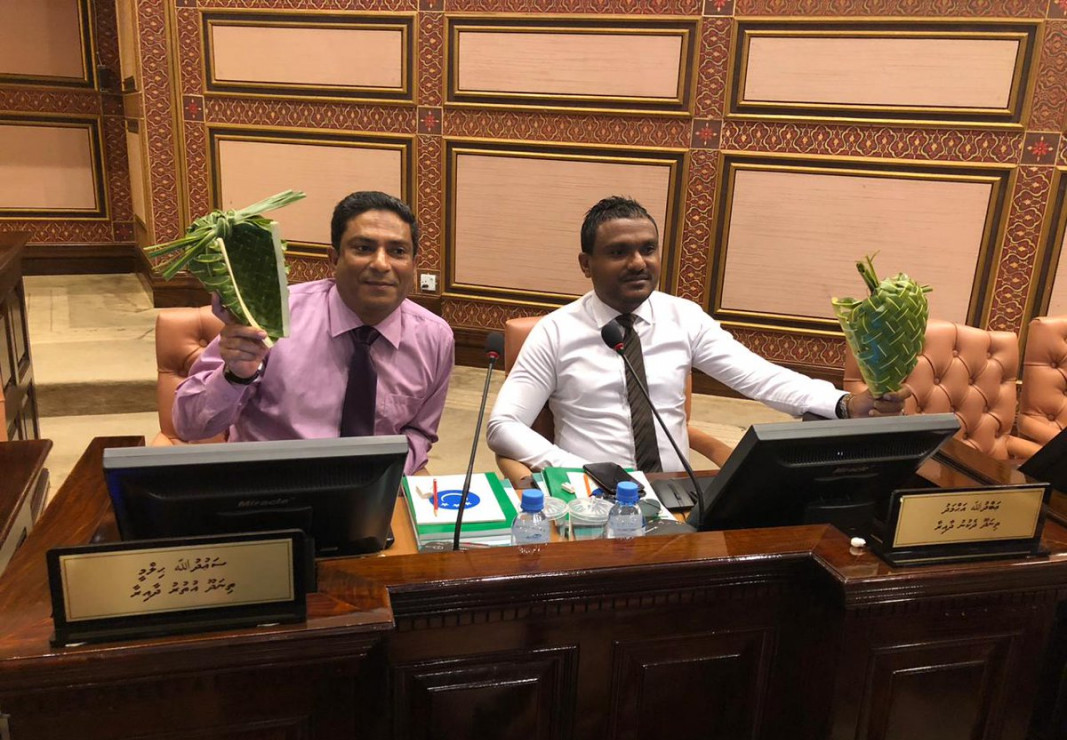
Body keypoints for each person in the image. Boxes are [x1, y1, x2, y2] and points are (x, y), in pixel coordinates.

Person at [486, 196, 909, 473]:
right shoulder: (555, 332)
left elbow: (760, 377)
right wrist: (576, 470)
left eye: (648, 249)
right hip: (591, 496)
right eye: (618, 252)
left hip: (678, 494)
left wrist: (842, 403)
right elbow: (503, 425)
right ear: (586, 264)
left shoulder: (683, 318)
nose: (638, 263)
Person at [173, 190, 454, 475]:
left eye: (398, 251)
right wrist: (235, 376)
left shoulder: (434, 338)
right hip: (271, 484)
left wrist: (382, 477)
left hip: (371, 488)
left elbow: (419, 432)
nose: (381, 264)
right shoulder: (271, 317)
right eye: (363, 248)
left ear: (414, 264)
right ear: (334, 258)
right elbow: (188, 426)